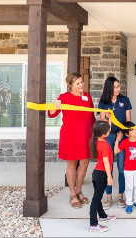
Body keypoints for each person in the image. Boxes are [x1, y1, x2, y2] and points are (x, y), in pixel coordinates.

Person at [48, 72, 96, 209]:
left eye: (81, 82)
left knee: (85, 163)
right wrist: (54, 105)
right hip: (70, 135)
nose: (81, 85)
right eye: (78, 83)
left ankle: (79, 190)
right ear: (70, 85)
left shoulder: (87, 96)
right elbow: (52, 114)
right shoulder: (64, 97)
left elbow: (91, 117)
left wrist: (95, 134)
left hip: (86, 135)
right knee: (72, 164)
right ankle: (72, 193)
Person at [98, 76, 132, 210]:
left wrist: (123, 133)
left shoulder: (125, 100)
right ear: (109, 87)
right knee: (108, 167)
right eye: (115, 86)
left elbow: (129, 121)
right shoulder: (103, 102)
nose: (118, 89)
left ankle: (120, 196)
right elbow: (102, 121)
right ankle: (108, 196)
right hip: (108, 137)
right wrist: (108, 119)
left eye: (119, 86)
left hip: (122, 137)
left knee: (122, 168)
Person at [114, 121, 136, 214]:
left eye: (135, 129)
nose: (135, 131)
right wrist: (117, 140)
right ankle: (129, 203)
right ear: (127, 134)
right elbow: (116, 151)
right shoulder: (125, 142)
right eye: (132, 130)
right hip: (128, 169)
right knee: (129, 187)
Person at [89, 120, 116, 233]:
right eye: (108, 130)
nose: (109, 131)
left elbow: (105, 129)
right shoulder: (104, 145)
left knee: (97, 196)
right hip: (102, 174)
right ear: (104, 134)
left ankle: (103, 216)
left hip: (96, 173)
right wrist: (109, 177)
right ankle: (93, 224)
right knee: (96, 199)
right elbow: (106, 162)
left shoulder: (97, 140)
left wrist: (109, 120)